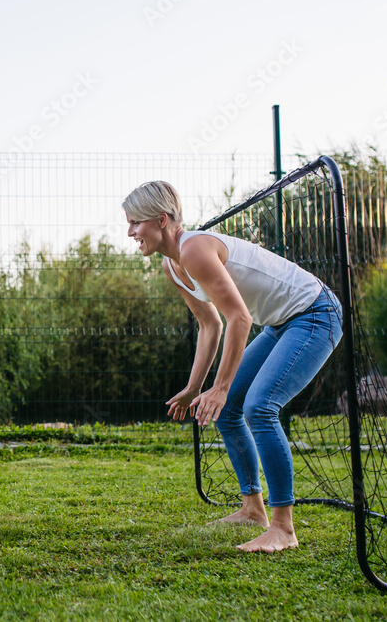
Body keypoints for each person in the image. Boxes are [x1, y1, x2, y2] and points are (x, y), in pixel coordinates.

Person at [122, 181, 342, 553]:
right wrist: (196, 387)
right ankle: (253, 509)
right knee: (229, 413)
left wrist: (220, 387)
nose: (129, 232)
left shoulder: (194, 248)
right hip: (281, 324)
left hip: (316, 313)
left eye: (134, 223)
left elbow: (239, 317)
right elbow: (212, 325)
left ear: (161, 220)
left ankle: (283, 528)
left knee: (259, 406)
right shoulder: (173, 266)